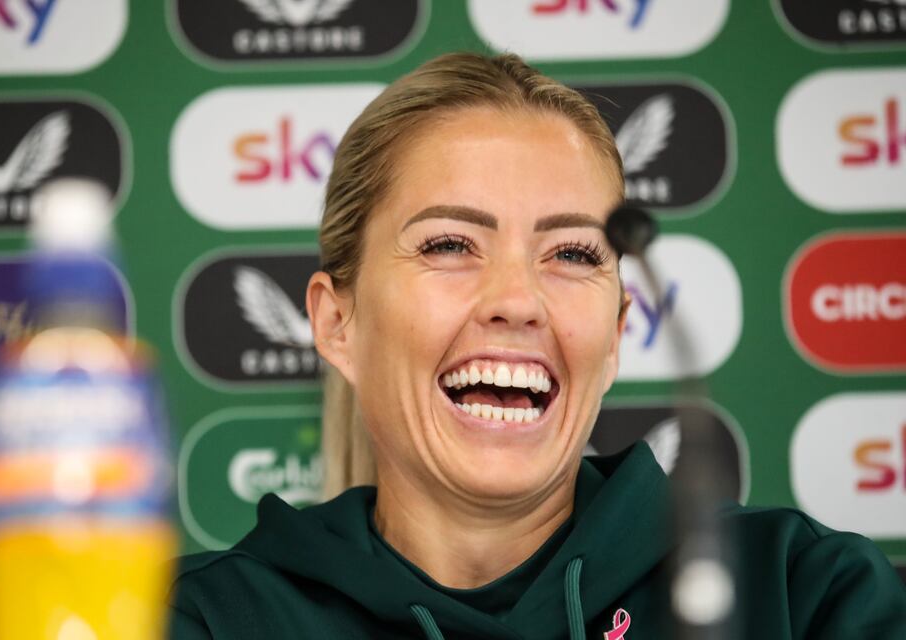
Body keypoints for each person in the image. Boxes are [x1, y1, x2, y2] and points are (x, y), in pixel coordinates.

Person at [168, 52, 906, 639]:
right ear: (337, 324)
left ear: (617, 334)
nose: (518, 301)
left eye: (573, 254)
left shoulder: (806, 595)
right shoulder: (199, 620)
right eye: (451, 243)